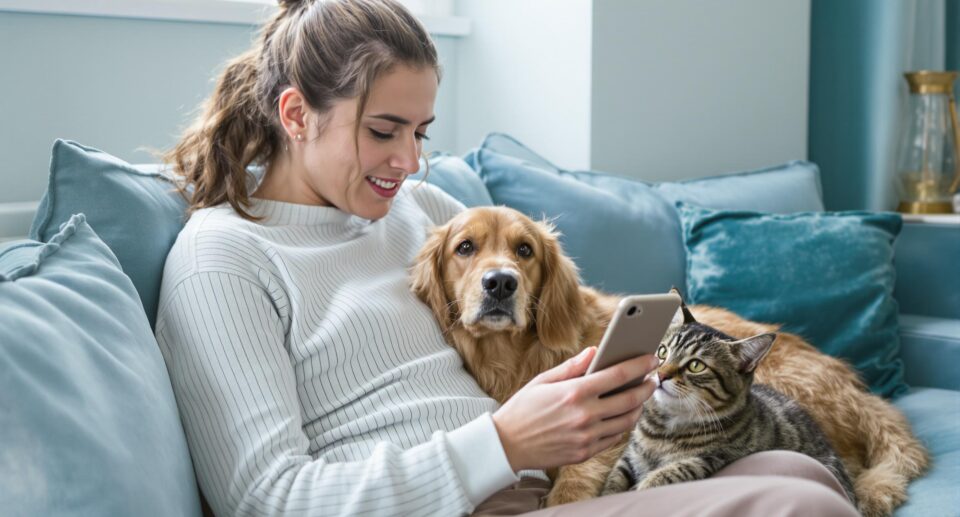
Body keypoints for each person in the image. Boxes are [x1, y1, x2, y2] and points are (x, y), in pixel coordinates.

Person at [156, 1, 860, 515]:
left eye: (421, 132)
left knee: (798, 469)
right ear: (295, 115)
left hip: (537, 485)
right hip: (469, 497)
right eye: (382, 131)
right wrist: (501, 444)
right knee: (799, 506)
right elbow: (265, 498)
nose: (408, 161)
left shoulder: (421, 212)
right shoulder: (223, 258)